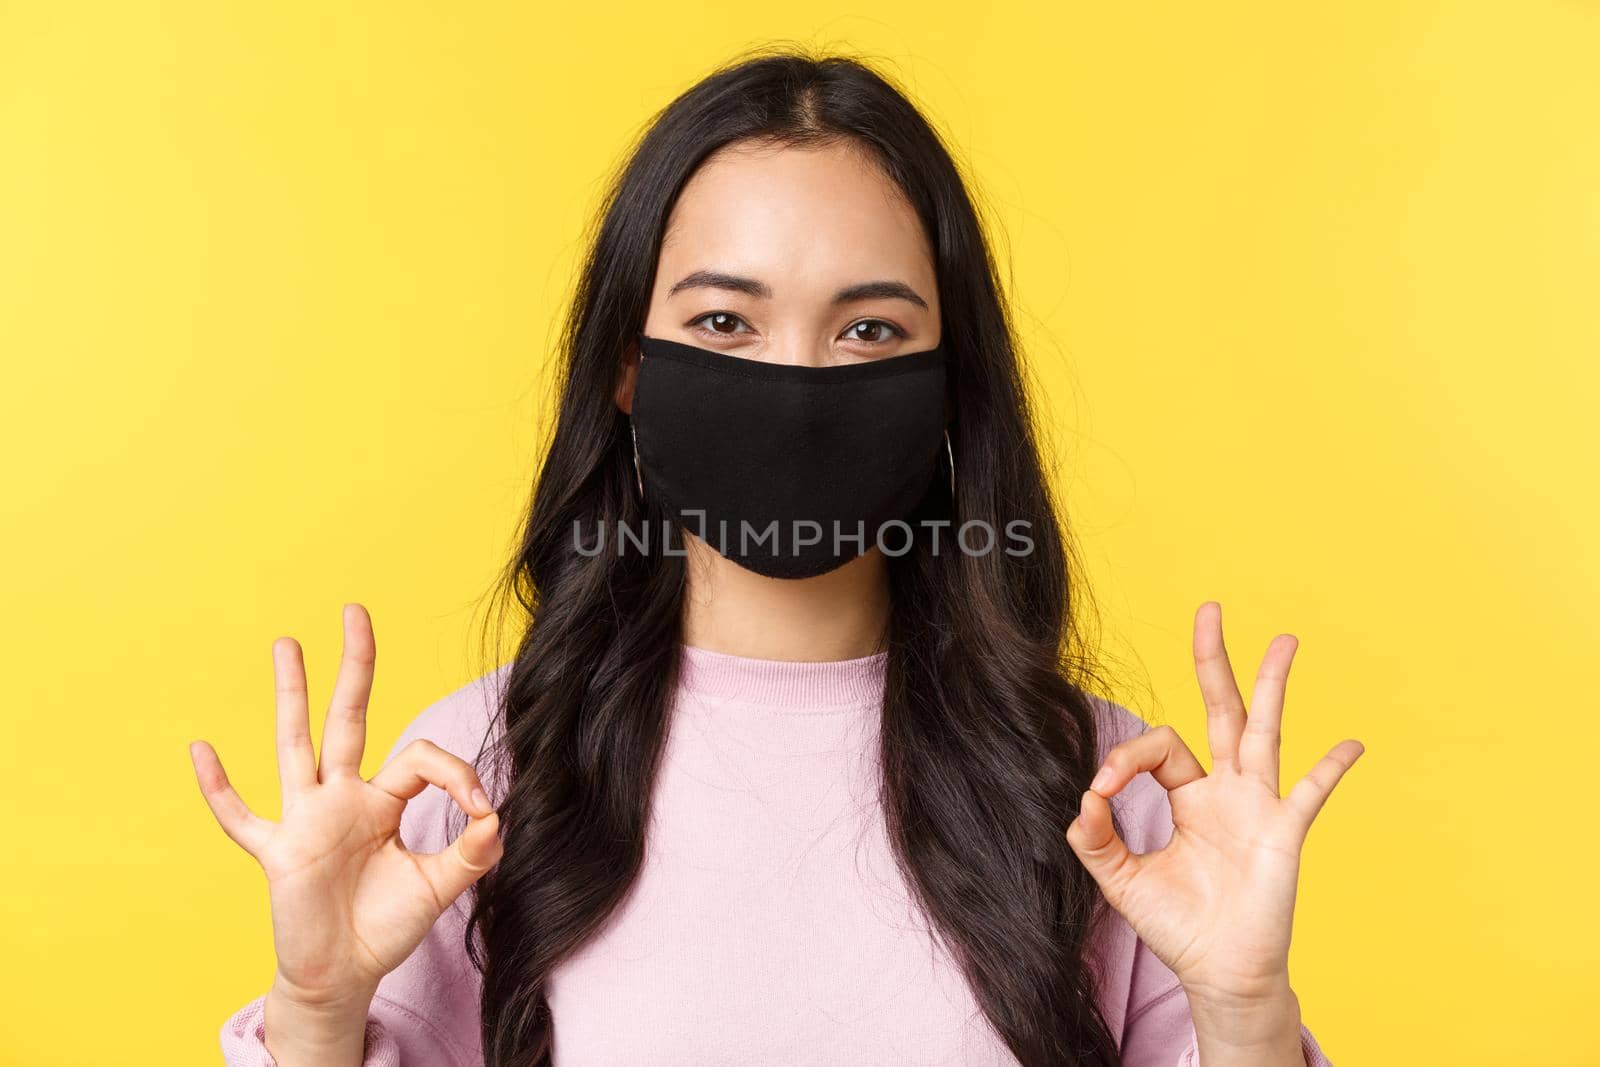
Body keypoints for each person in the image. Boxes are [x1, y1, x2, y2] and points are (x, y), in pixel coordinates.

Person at [190, 48, 1363, 1067]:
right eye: (722, 322)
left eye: (869, 330)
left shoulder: (1106, 794)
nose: (795, 383)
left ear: (950, 386)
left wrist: (1245, 1007)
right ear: (628, 367)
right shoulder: (477, 778)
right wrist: (316, 1005)